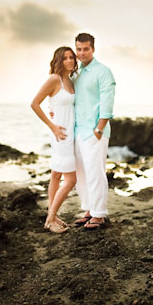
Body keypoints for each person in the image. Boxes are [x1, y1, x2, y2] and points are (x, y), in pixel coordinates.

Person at [72, 32, 116, 231]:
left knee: (95, 171)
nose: (81, 53)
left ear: (93, 49)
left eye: (85, 49)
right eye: (78, 49)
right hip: (78, 131)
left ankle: (99, 214)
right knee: (81, 172)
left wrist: (99, 128)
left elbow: (107, 102)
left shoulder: (103, 71)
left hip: (95, 131)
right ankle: (89, 209)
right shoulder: (76, 73)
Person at [30, 46, 77, 233]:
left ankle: (54, 215)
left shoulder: (71, 81)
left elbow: (61, 104)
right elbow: (34, 103)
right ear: (58, 60)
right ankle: (51, 218)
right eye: (65, 58)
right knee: (71, 179)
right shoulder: (54, 79)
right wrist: (52, 126)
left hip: (70, 133)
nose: (69, 61)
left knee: (56, 175)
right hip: (61, 134)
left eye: (72, 57)